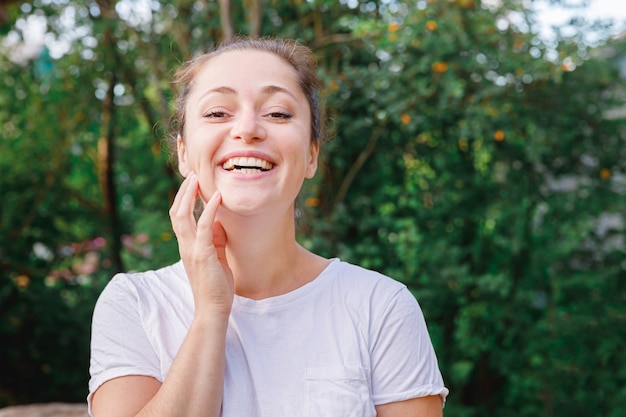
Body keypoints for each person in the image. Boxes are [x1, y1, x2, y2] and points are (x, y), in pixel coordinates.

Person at [88, 37, 448, 417]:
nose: (247, 129)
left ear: (311, 155)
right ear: (183, 152)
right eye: (216, 113)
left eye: (277, 113)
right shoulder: (134, 304)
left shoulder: (381, 307)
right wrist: (211, 311)